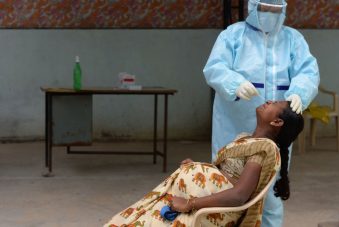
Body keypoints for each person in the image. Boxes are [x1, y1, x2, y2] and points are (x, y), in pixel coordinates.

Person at [203, 0, 319, 226]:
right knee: (227, 184)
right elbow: (214, 67)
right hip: (233, 123)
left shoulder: (293, 40)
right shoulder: (233, 36)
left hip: (275, 130)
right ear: (253, 7)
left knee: (270, 189)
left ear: (284, 10)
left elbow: (308, 71)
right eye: (265, 10)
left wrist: (299, 93)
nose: (270, 15)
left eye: (276, 11)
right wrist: (233, 83)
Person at [104, 101, 304, 227]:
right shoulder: (246, 140)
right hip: (192, 198)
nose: (268, 101)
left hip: (210, 210)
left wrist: (189, 204)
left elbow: (239, 194)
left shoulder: (264, 149)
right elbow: (226, 173)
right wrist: (198, 166)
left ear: (277, 122)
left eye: (274, 104)